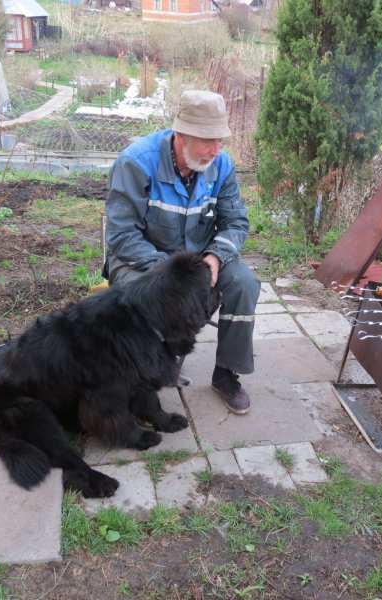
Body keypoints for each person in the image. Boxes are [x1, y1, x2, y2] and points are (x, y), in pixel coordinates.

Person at [104, 89, 260, 415]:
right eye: (208, 141)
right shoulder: (136, 162)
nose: (216, 151)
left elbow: (236, 222)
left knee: (244, 284)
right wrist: (172, 275)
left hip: (200, 259)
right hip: (141, 259)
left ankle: (226, 374)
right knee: (136, 294)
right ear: (181, 135)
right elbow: (122, 235)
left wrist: (216, 257)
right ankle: (141, 381)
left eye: (220, 140)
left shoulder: (221, 166)